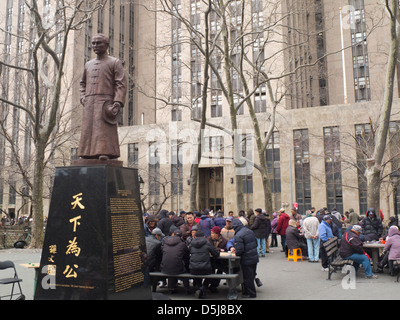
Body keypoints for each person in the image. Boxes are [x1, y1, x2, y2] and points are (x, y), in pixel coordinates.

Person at [78, 34, 127, 160]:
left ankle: (104, 152)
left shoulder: (114, 62)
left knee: (103, 129)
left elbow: (120, 83)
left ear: (106, 45)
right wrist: (83, 96)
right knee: (88, 128)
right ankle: (86, 153)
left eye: (98, 43)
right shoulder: (88, 64)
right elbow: (82, 83)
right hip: (89, 102)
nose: (95, 46)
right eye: (93, 43)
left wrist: (117, 102)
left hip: (105, 102)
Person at [227, 219, 259, 298]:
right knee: (251, 275)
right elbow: (256, 243)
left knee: (247, 277)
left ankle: (251, 293)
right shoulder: (249, 231)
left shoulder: (238, 235)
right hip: (254, 256)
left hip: (246, 258)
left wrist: (235, 252)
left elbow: (240, 250)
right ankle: (250, 292)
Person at [189, 230, 220, 298]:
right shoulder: (207, 243)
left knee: (195, 270)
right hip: (205, 269)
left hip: (193, 269)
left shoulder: (191, 244)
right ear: (203, 236)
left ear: (195, 236)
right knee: (211, 271)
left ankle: (200, 287)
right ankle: (204, 287)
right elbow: (216, 254)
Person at [160, 229, 191, 294]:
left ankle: (171, 288)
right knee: (182, 269)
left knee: (171, 266)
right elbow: (187, 255)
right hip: (177, 267)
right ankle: (187, 289)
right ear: (181, 237)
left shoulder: (166, 243)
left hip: (164, 267)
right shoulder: (182, 244)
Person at [145, 227, 164, 291]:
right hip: (150, 264)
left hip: (143, 262)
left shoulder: (145, 239)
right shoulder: (158, 243)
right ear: (156, 235)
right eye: (160, 236)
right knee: (158, 267)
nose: (160, 238)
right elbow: (159, 256)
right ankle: (154, 288)